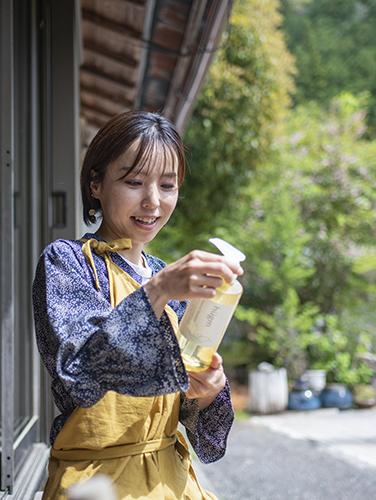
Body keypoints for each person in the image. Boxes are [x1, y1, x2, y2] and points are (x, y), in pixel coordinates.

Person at [32, 110, 242, 500]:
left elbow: (206, 442)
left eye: (167, 185)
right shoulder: (68, 262)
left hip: (172, 483)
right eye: (134, 182)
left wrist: (209, 390)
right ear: (95, 183)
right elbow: (80, 376)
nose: (153, 202)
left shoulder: (167, 279)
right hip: (95, 483)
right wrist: (158, 291)